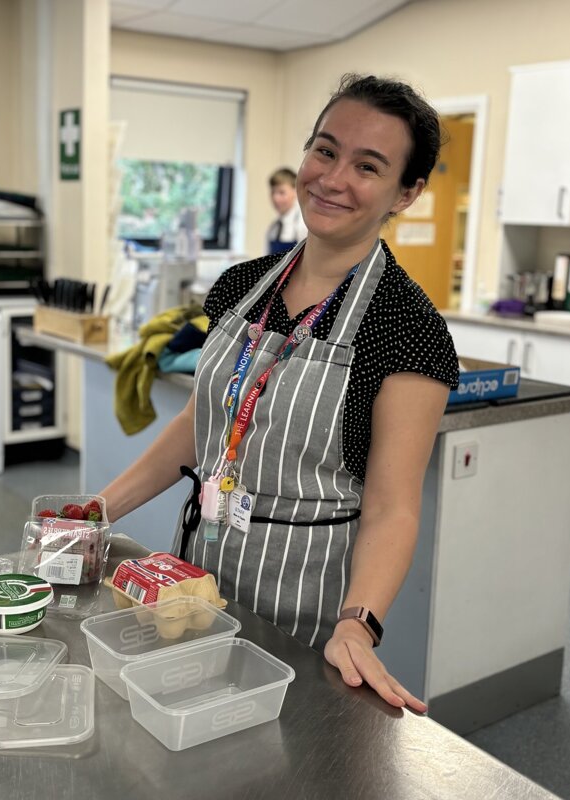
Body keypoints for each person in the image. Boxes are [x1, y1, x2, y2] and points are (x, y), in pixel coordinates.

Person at [101, 73, 459, 712]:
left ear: (406, 193)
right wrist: (98, 511)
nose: (332, 177)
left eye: (368, 166)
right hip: (197, 581)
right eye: (325, 150)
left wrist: (360, 621)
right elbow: (203, 422)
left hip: (302, 611)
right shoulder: (242, 285)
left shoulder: (407, 328)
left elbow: (393, 507)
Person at [266, 167, 307, 254]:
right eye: (273, 192)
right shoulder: (273, 228)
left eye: (281, 192)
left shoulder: (303, 225)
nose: (275, 198)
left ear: (296, 191)